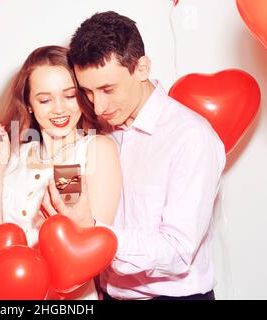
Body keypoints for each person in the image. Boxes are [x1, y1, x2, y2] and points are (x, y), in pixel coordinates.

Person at [41, 11, 226, 300]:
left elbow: (177, 251)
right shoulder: (99, 130)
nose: (98, 106)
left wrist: (93, 234)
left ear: (142, 68)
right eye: (87, 92)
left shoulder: (191, 137)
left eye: (107, 89)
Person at [0, 45, 122, 300]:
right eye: (45, 99)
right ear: (29, 105)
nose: (59, 109)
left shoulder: (96, 148)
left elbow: (92, 246)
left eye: (69, 95)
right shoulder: (15, 154)